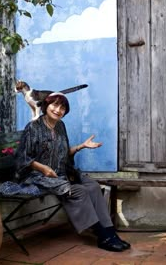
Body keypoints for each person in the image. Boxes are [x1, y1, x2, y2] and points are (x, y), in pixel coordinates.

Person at [14, 92, 130, 252]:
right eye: (55, 105)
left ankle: (111, 233)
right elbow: (22, 157)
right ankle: (102, 235)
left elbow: (62, 153)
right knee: (78, 191)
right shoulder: (33, 127)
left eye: (62, 107)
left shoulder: (60, 126)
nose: (58, 110)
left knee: (93, 186)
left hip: (60, 172)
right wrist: (43, 168)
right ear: (46, 106)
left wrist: (80, 147)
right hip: (37, 176)